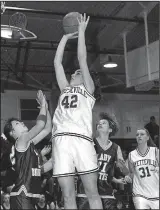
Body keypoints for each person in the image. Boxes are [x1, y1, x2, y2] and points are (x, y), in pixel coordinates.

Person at [51, 13, 102, 209]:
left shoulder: (88, 90)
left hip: (81, 139)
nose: (74, 73)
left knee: (92, 192)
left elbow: (82, 59)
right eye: (73, 73)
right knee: (67, 195)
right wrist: (64, 38)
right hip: (62, 139)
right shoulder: (65, 89)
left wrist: (81, 31)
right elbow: (57, 63)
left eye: (78, 73)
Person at [3, 90, 52, 210]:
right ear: (12, 132)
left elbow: (47, 129)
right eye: (17, 123)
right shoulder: (21, 140)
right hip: (22, 195)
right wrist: (44, 106)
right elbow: (40, 125)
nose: (21, 122)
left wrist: (44, 108)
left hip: (27, 196)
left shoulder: (28, 144)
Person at [77, 112, 129, 209]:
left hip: (106, 192)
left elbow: (125, 172)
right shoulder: (89, 143)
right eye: (99, 123)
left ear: (110, 129)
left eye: (104, 123)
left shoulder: (116, 148)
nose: (100, 124)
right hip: (86, 191)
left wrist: (122, 168)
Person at [125, 128, 159, 209]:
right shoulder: (131, 155)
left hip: (155, 192)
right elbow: (132, 173)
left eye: (142, 134)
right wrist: (128, 177)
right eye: (137, 135)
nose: (139, 136)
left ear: (147, 137)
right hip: (139, 193)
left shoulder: (155, 151)